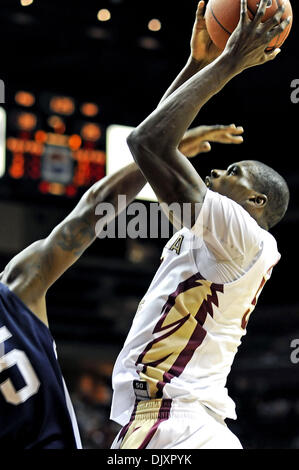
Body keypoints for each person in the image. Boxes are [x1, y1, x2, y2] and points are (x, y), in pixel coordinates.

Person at [0, 64, 240, 451]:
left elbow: (96, 205)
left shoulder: (17, 287)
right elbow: (96, 207)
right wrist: (162, 147)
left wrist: (163, 142)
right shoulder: (18, 285)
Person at [110, 0, 290, 449]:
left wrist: (229, 64)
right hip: (187, 424)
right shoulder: (215, 236)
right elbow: (151, 143)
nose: (214, 173)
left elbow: (147, 141)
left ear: (256, 200)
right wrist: (197, 65)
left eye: (232, 172)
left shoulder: (244, 234)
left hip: (173, 423)